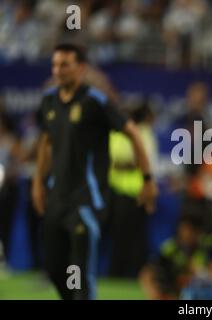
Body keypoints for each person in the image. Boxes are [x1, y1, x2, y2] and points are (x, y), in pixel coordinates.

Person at [31, 43, 158, 300]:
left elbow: (133, 133)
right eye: (55, 64)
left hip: (86, 200)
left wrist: (147, 180)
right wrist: (37, 182)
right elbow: (46, 141)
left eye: (64, 64)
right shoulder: (48, 101)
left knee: (80, 273)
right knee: (56, 269)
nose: (58, 70)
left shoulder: (96, 102)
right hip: (57, 197)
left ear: (81, 68)